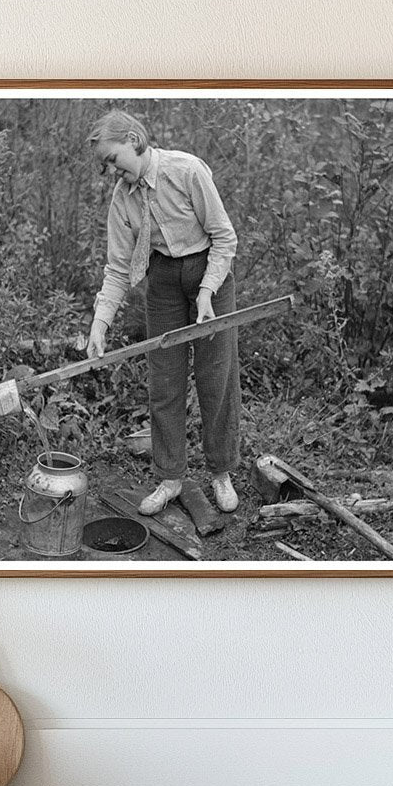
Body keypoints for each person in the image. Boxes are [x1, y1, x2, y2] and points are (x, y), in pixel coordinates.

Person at [86, 110, 242, 515]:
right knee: (165, 380)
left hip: (211, 270)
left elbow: (225, 237)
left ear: (134, 141)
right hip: (164, 280)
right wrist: (100, 324)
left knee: (215, 377)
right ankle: (170, 476)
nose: (111, 172)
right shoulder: (123, 199)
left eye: (113, 160)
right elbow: (118, 268)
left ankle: (221, 472)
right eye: (105, 166)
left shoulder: (186, 170)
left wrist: (207, 292)